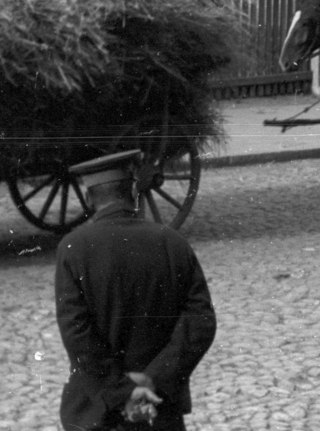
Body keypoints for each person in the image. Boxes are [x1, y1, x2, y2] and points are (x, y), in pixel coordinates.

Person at [55, 150, 217, 431]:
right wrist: (153, 378)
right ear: (133, 189)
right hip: (159, 407)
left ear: (89, 198)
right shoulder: (171, 242)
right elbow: (200, 321)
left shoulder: (74, 248)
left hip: (98, 411)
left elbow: (76, 332)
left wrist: (120, 390)